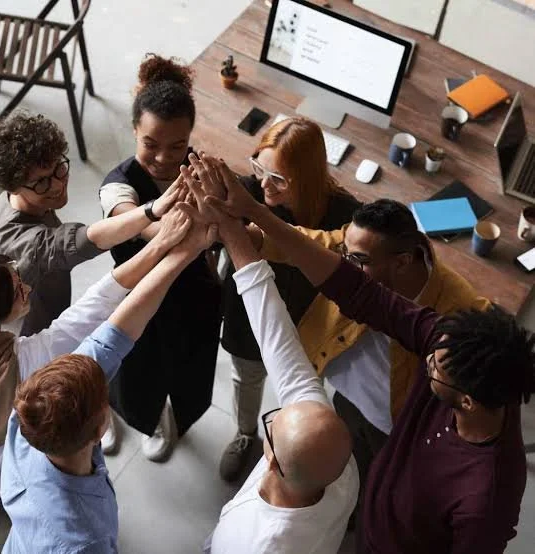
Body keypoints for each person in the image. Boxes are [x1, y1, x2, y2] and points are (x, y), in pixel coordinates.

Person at [198, 157, 534, 553]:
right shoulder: (452, 344)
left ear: (466, 400)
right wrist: (250, 215)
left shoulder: (487, 498)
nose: (427, 360)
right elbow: (356, 290)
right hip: (373, 500)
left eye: (433, 369)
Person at [0, 210, 215, 553]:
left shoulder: (29, 418)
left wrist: (183, 252)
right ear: (102, 424)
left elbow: (114, 335)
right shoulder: (85, 540)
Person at [258, 198, 489, 518]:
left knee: (380, 484)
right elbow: (305, 243)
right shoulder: (357, 243)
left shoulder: (460, 310)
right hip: (346, 399)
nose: (342, 268)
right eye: (345, 255)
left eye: (358, 260)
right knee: (343, 467)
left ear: (403, 261)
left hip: (394, 424)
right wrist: (250, 236)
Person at [178, 161, 358, 554]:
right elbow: (278, 340)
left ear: (271, 461)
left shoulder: (262, 544)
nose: (277, 413)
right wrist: (231, 232)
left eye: (270, 426)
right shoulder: (338, 468)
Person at [219, 116, 361, 481]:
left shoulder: (345, 217)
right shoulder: (245, 192)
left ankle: (291, 451)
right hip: (250, 320)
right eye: (259, 169)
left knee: (301, 399)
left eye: (278, 179)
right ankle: (245, 433)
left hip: (311, 330)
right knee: (246, 379)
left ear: (308, 179)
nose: (264, 185)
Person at [98, 54, 222, 461]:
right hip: (138, 296)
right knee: (134, 371)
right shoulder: (117, 187)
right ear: (134, 130)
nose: (165, 158)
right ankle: (125, 417)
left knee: (190, 370)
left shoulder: (203, 171)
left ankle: (170, 420)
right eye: (150, 144)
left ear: (191, 137)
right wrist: (177, 226)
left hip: (192, 296)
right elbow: (137, 224)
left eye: (178, 146)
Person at [0, 110, 185, 337]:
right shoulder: (27, 245)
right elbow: (83, 240)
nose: (58, 185)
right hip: (32, 346)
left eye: (59, 168)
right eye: (41, 182)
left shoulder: (5, 204)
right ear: (13, 186)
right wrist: (152, 210)